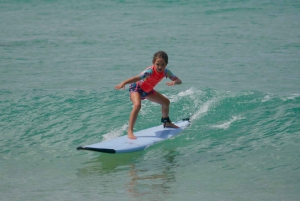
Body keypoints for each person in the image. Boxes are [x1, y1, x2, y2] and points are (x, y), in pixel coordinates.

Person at [115, 51, 182, 139]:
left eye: (163, 64)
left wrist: (174, 82)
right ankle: (130, 131)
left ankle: (166, 122)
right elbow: (136, 78)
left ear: (166, 64)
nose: (160, 67)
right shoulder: (149, 71)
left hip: (148, 91)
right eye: (157, 64)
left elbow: (179, 81)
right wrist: (124, 82)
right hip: (136, 88)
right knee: (137, 105)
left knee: (166, 102)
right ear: (153, 63)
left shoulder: (166, 72)